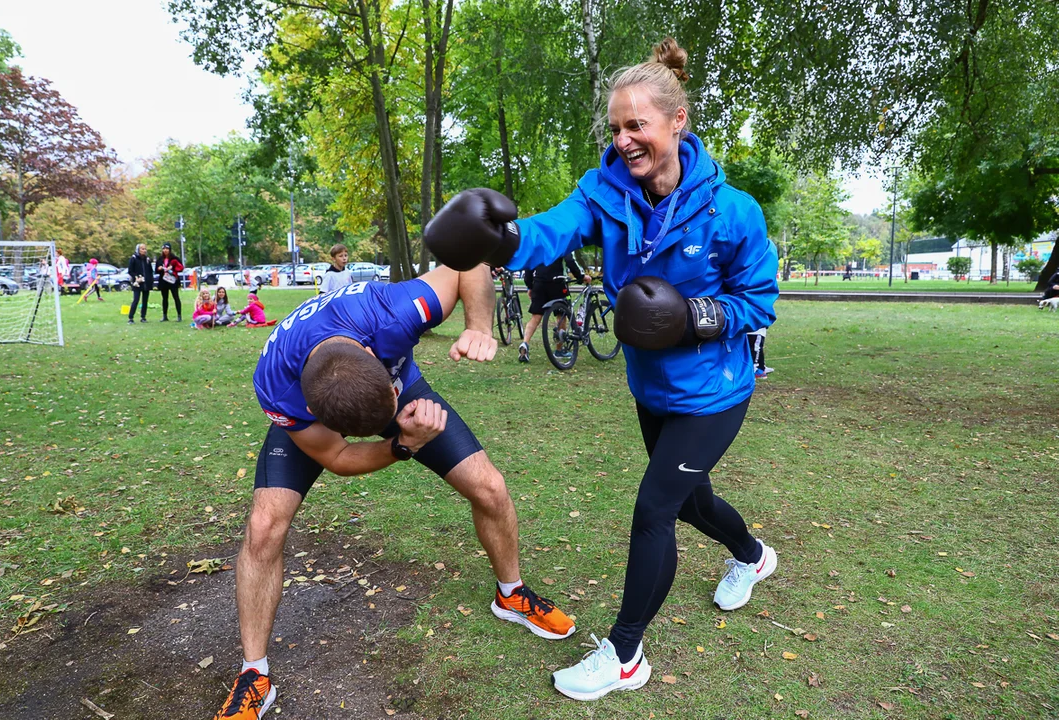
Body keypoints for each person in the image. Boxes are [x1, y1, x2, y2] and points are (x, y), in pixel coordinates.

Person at [423, 37, 779, 702]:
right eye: (615, 128)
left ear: (677, 122)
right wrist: (499, 238)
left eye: (636, 126)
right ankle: (753, 556)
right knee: (691, 499)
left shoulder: (733, 210)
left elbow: (757, 300)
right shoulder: (605, 191)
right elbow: (551, 230)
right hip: (652, 385)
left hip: (715, 389)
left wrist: (693, 315)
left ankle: (623, 655)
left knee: (655, 510)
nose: (623, 141)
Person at [210, 266, 575, 720]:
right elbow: (339, 458)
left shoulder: (395, 311)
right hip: (321, 414)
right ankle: (253, 674)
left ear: (374, 352)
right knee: (264, 527)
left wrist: (479, 326)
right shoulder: (278, 386)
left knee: (490, 487)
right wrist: (403, 444)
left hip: (395, 391)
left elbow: (469, 264)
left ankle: (511, 593)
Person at [517, 254, 591, 363]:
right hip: (557, 283)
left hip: (539, 283)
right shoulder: (561, 238)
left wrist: (530, 286)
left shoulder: (538, 240)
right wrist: (581, 276)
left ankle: (525, 343)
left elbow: (529, 266)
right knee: (562, 315)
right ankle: (559, 350)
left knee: (536, 317)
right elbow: (570, 260)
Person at [155, 242, 185, 322]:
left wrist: (172, 268)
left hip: (173, 281)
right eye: (164, 249)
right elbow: (156, 270)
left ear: (170, 250)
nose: (165, 250)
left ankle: (179, 315)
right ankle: (165, 316)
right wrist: (160, 268)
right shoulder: (160, 259)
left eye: (167, 249)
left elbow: (181, 267)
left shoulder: (174, 258)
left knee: (176, 297)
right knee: (165, 298)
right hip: (163, 281)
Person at [126, 243, 153, 324]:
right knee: (136, 300)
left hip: (146, 283)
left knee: (145, 301)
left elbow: (150, 271)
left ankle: (143, 317)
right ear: (138, 250)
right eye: (142, 249)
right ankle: (131, 318)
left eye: (145, 249)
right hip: (137, 283)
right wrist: (136, 277)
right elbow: (130, 271)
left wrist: (150, 281)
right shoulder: (133, 258)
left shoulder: (147, 259)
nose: (144, 250)